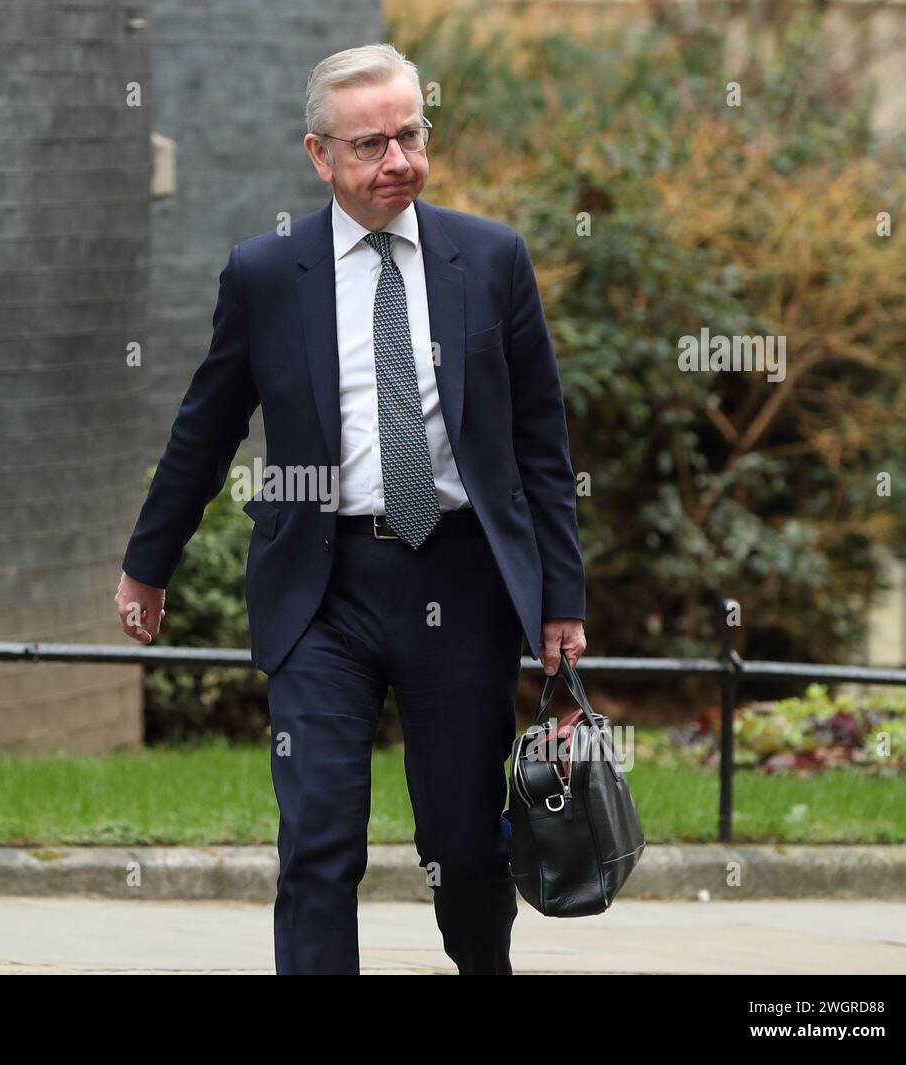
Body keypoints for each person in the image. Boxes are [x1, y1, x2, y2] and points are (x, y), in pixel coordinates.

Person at [115, 42, 587, 975]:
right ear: (319, 155)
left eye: (409, 135)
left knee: (462, 847)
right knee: (320, 837)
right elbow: (205, 432)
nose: (397, 161)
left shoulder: (491, 259)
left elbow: (543, 444)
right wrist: (148, 564)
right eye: (370, 145)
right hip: (320, 588)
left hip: (461, 580)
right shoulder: (265, 272)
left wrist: (560, 602)